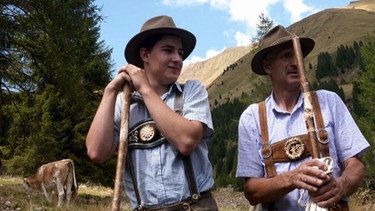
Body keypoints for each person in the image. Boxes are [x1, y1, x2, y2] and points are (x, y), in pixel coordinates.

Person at [86, 15, 218, 210]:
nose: (177, 59)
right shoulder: (124, 104)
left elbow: (186, 141)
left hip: (194, 207)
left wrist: (145, 89)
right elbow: (97, 152)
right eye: (168, 50)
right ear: (145, 55)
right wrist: (110, 91)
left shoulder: (192, 91)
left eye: (180, 53)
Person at [236, 25, 370, 211]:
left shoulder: (328, 102)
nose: (295, 63)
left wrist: (341, 185)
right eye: (286, 56)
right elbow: (252, 191)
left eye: (297, 55)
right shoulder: (252, 118)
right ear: (268, 66)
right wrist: (292, 178)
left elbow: (356, 166)